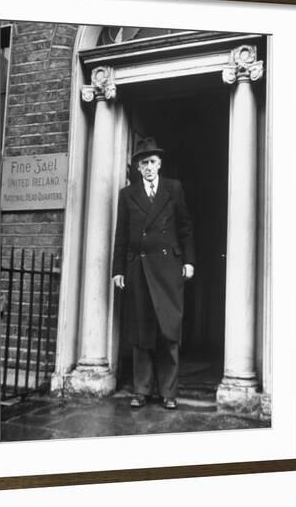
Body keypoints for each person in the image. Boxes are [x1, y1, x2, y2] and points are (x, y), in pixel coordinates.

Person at [112, 137, 195, 409]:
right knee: (141, 332)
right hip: (139, 268)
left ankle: (169, 393)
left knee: (168, 331)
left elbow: (185, 227)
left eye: (152, 162)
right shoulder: (127, 194)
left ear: (160, 164)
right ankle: (141, 390)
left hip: (169, 268)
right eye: (143, 163)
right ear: (137, 167)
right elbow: (121, 235)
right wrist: (118, 270)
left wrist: (189, 261)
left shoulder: (174, 188)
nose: (148, 167)